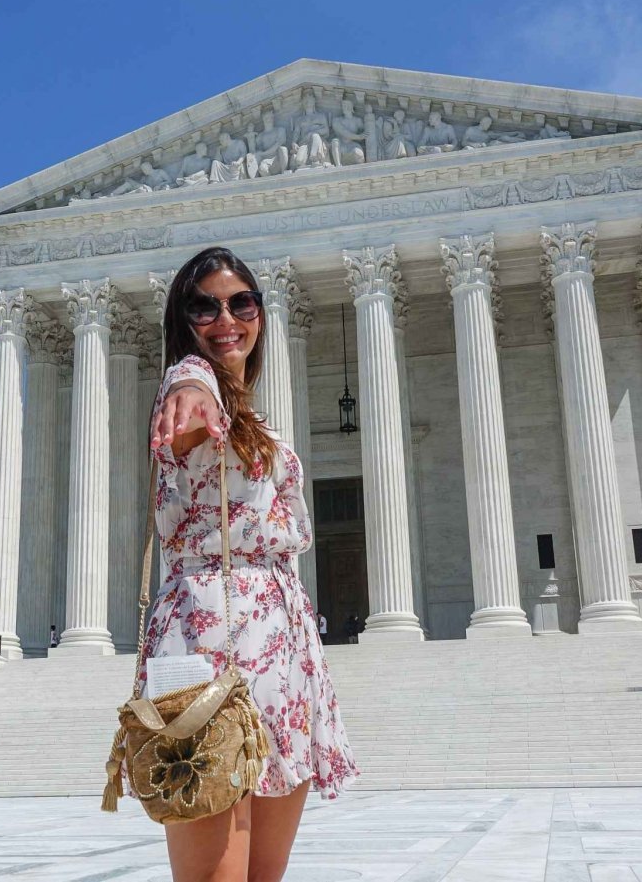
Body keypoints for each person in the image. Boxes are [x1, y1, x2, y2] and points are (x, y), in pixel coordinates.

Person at [141, 246, 358, 882]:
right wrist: (187, 381)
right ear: (183, 322)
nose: (225, 317)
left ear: (261, 313)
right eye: (203, 306)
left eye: (241, 302)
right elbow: (187, 396)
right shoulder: (191, 385)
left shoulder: (250, 411)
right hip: (209, 642)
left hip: (281, 649)